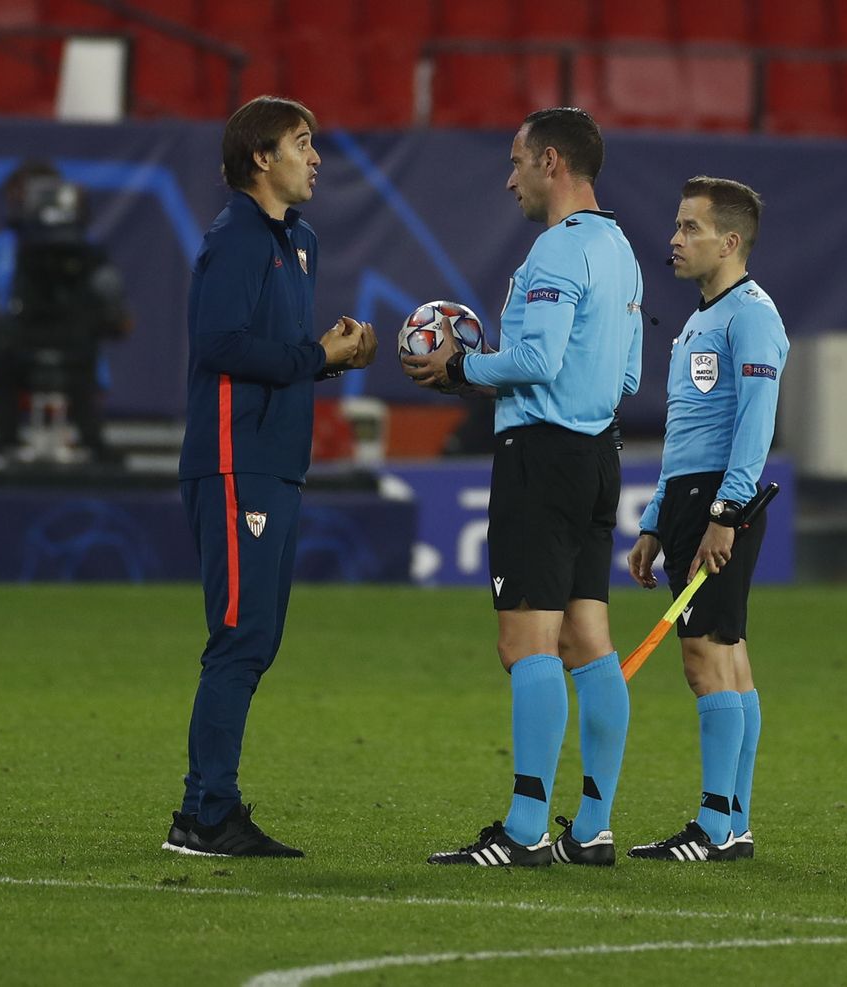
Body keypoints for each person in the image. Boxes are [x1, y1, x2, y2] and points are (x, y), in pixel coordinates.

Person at [403, 107, 644, 867]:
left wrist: (461, 370)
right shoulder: (623, 252)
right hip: (600, 455)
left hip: (542, 458)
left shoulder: (556, 252)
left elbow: (536, 361)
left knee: (525, 643)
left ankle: (524, 829)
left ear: (551, 162)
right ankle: (595, 825)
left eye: (515, 162)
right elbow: (630, 375)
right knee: (588, 640)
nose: (508, 179)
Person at [161, 96, 377, 858]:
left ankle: (208, 806)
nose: (316, 158)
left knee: (256, 637)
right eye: (302, 143)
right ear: (261, 158)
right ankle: (204, 813)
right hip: (233, 459)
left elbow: (282, 349)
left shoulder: (301, 240)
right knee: (239, 636)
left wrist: (334, 351)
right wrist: (322, 357)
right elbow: (220, 343)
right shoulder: (238, 238)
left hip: (276, 462)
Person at [624, 177, 787, 863]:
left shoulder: (751, 314)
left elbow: (755, 423)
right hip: (693, 501)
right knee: (731, 657)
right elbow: (686, 432)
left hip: (723, 502)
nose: (675, 238)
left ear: (730, 241)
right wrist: (658, 518)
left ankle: (715, 824)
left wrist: (726, 510)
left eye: (690, 227)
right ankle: (735, 823)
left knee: (705, 656)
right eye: (677, 225)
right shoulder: (700, 318)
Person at [0, 160, 131, 459]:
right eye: (18, 195)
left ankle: (92, 442)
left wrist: (114, 315)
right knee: (3, 362)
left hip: (73, 341)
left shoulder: (85, 248)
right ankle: (7, 442)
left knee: (82, 358)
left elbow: (107, 296)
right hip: (16, 341)